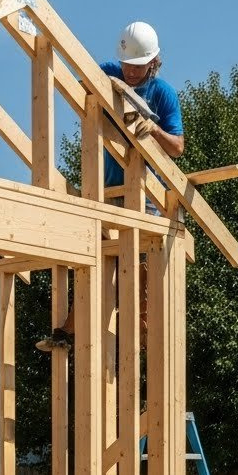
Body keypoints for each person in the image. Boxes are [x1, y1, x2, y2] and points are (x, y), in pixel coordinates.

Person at [36, 21, 184, 351]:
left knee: (140, 256)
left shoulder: (163, 93)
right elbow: (77, 90)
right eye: (127, 65)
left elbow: (177, 147)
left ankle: (143, 329)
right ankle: (69, 332)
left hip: (146, 189)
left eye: (137, 66)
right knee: (99, 258)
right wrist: (109, 87)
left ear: (153, 61)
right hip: (106, 189)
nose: (130, 72)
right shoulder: (108, 70)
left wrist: (154, 131)